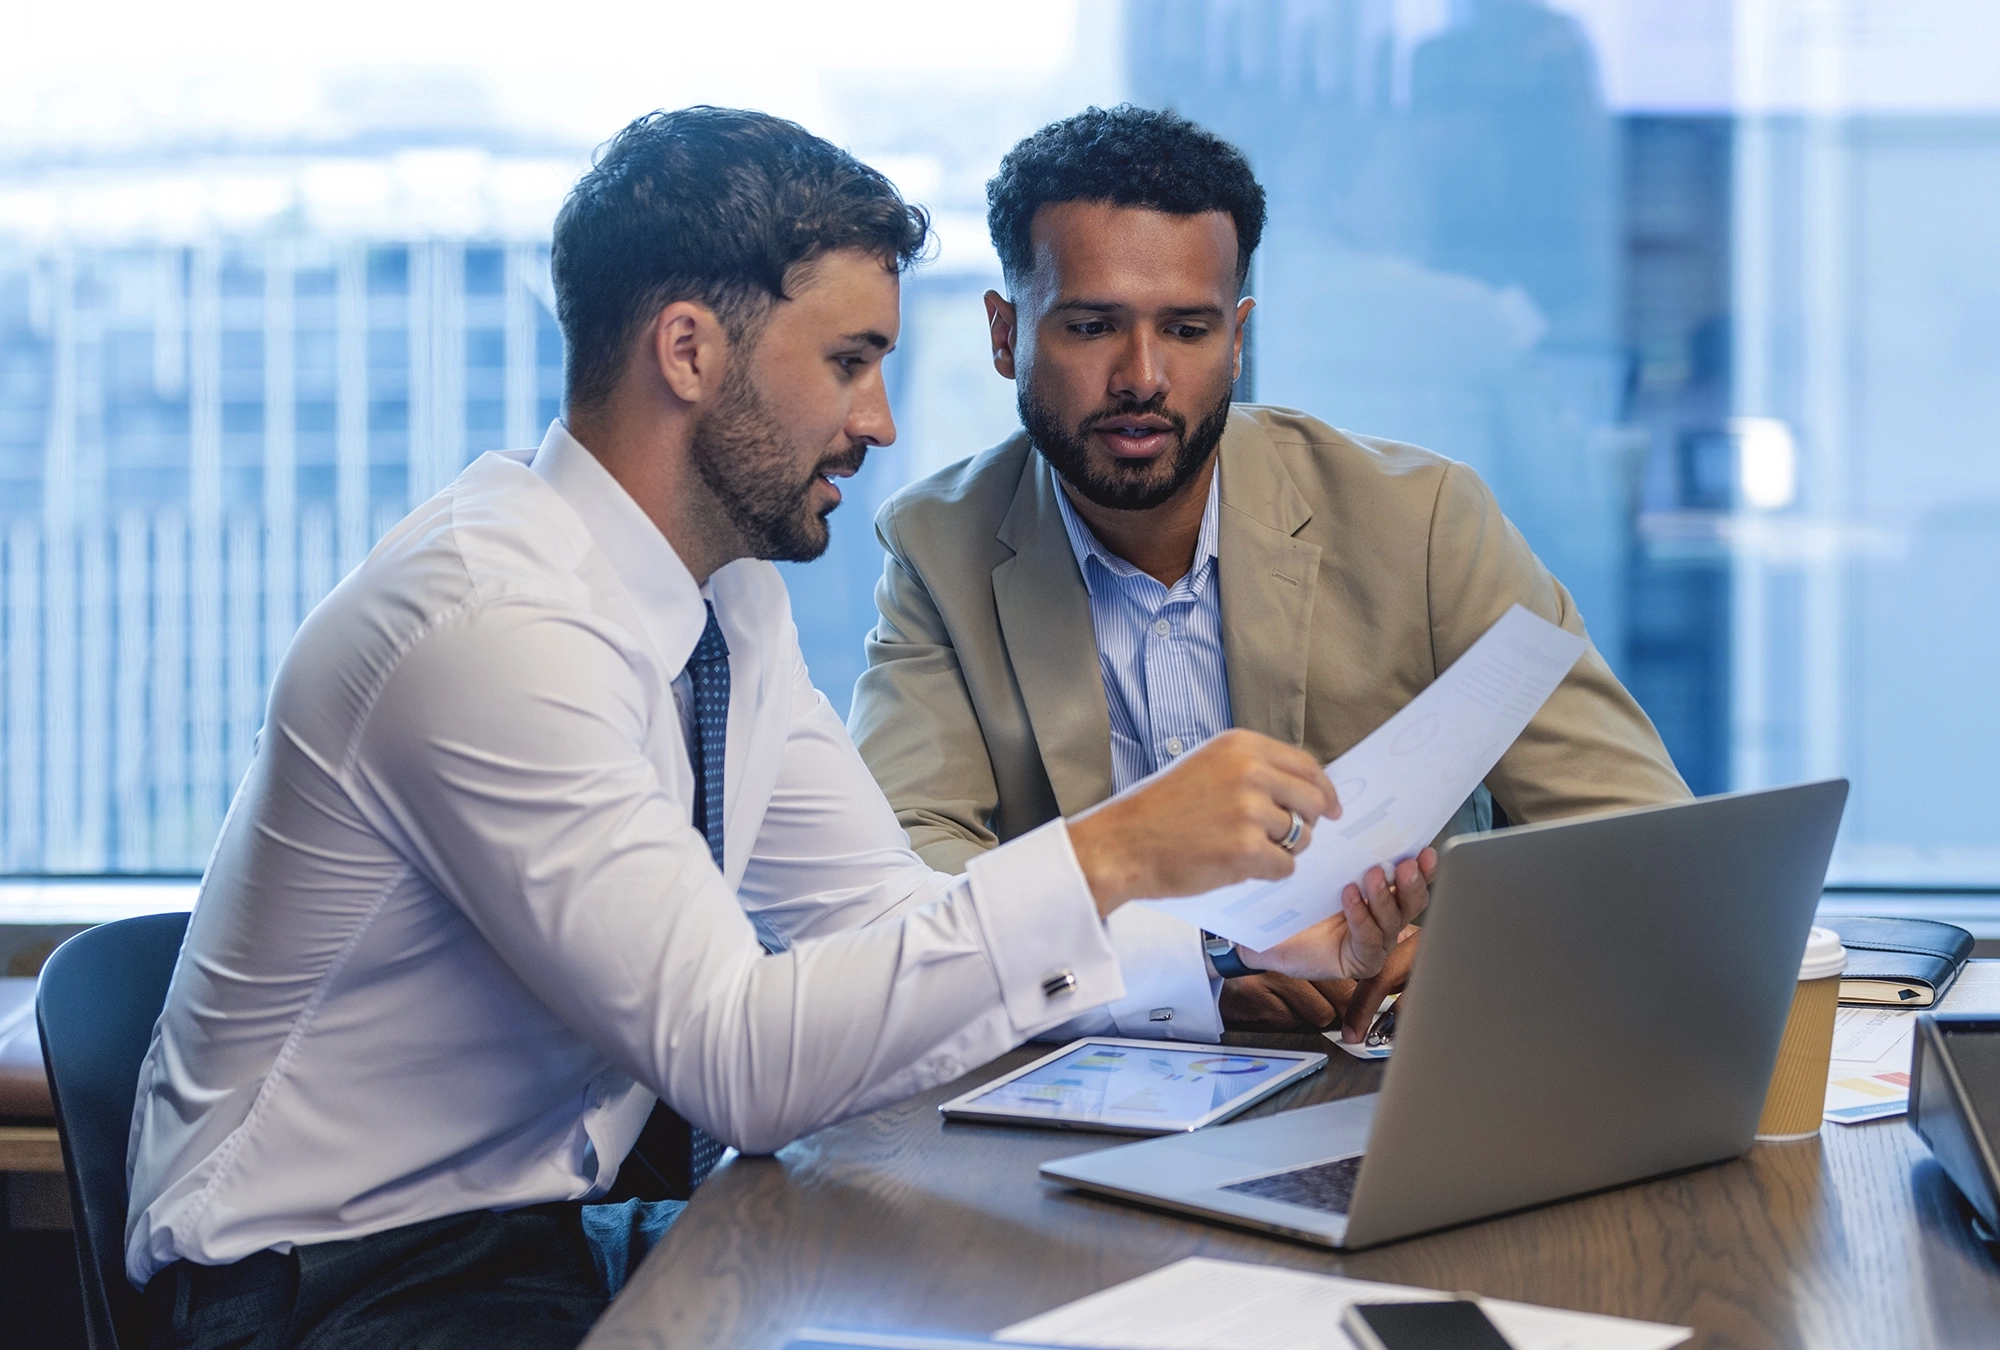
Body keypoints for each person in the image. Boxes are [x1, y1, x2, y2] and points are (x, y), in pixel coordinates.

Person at [122, 108, 1426, 1350]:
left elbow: (886, 927)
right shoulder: (491, 632)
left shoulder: (719, 600)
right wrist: (1117, 852)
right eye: (850, 360)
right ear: (690, 351)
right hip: (324, 1294)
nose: (882, 420)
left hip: (536, 1242)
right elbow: (735, 1057)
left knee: (1029, 1297)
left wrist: (1216, 963)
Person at [849, 105, 1689, 1045]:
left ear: (1239, 339)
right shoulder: (938, 547)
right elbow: (899, 889)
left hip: (1389, 1076)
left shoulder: (1424, 523)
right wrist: (1196, 971)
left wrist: (1466, 948)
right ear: (1006, 335)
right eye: (1091, 326)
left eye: (1188, 329)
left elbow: (1645, 844)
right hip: (1091, 1101)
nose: (1143, 377)